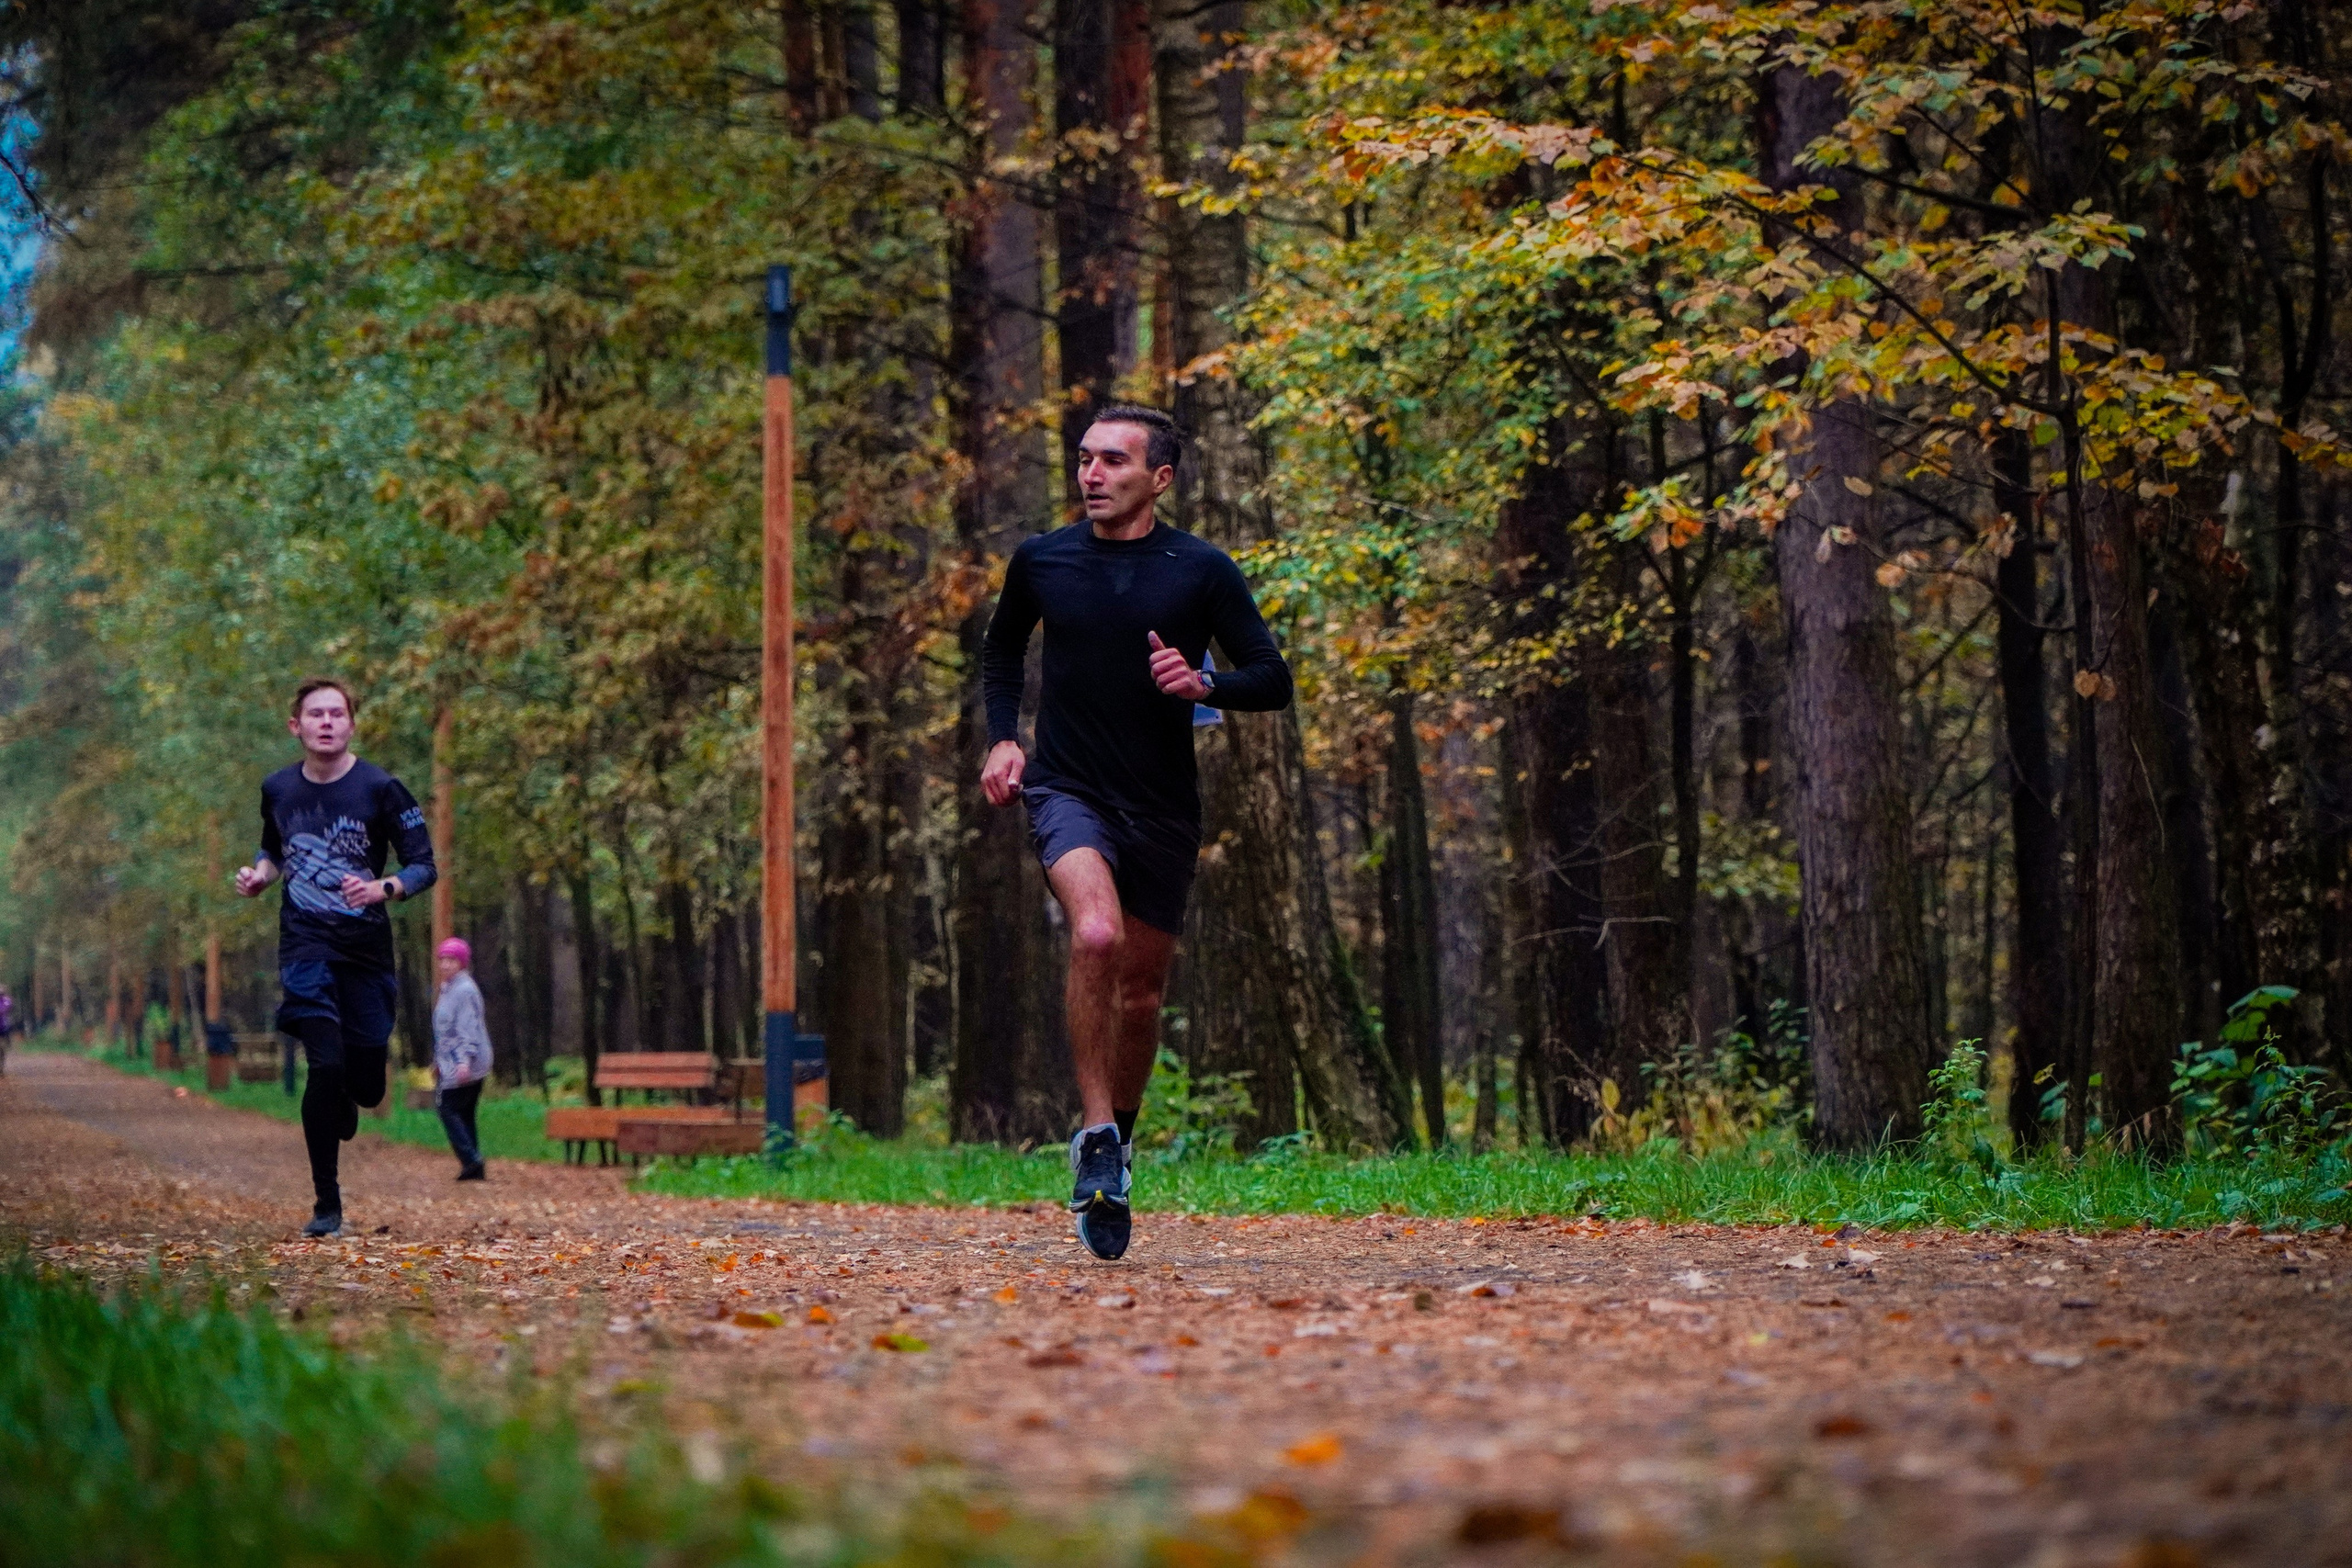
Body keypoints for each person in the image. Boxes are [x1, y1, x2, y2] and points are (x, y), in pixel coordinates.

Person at [978, 405, 1294, 1260]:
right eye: (1084, 459)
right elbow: (1002, 649)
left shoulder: (1200, 571)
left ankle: (1117, 1143)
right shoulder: (1042, 560)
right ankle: (1093, 1139)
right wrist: (1004, 736)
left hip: (1160, 804)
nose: (1092, 474)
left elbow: (1273, 678)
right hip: (1066, 788)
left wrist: (1204, 684)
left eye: (1113, 461)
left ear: (1159, 478)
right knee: (1096, 932)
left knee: (1144, 993)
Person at [232, 678, 435, 1238]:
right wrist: (259, 877)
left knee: (366, 1086)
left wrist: (384, 888)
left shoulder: (381, 789)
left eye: (337, 713)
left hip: (366, 951)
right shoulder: (278, 788)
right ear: (295, 726)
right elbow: (275, 848)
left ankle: (350, 1089)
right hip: (305, 947)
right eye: (315, 714)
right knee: (323, 1066)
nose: (326, 722)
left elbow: (424, 864)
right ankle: (327, 1203)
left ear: (351, 724)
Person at [431, 937, 492, 1181]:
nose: (445, 965)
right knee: (464, 1112)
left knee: (447, 1108)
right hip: (453, 1060)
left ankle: (471, 1159)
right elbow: (445, 1031)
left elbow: (468, 1028)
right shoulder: (449, 989)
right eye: (442, 959)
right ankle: (473, 1163)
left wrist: (464, 1061)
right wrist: (438, 1060)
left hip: (466, 1062)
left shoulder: (464, 990)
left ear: (462, 963)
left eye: (451, 960)